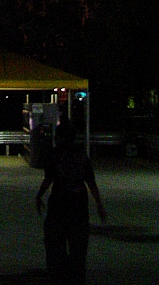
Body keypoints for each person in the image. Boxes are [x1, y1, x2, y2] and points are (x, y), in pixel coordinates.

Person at [35, 119, 106, 284]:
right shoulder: (81, 155)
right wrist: (99, 205)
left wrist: (39, 195)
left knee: (54, 245)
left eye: (57, 136)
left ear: (61, 137)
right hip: (79, 207)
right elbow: (91, 182)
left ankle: (59, 275)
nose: (54, 139)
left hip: (59, 207)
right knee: (78, 250)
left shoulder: (54, 154)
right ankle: (76, 277)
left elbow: (49, 178)